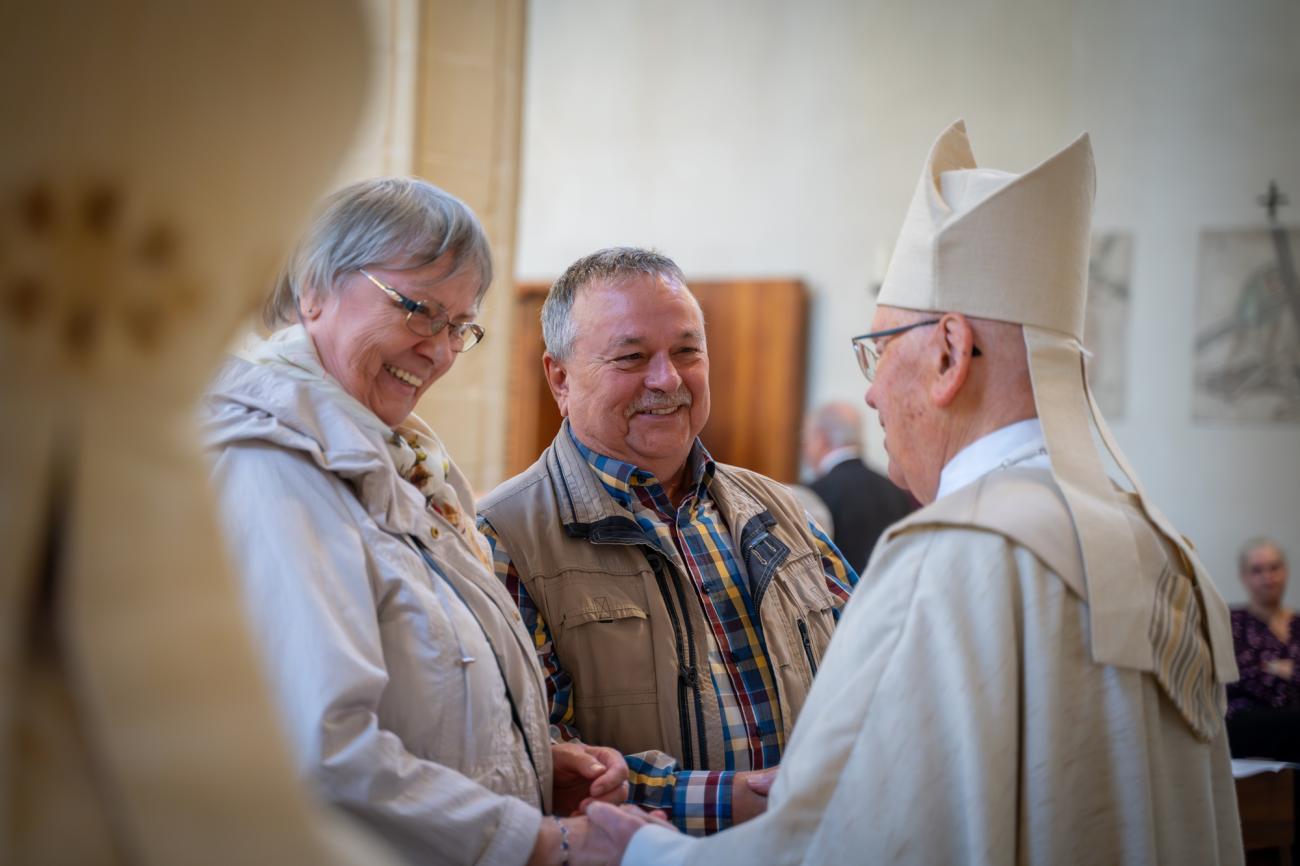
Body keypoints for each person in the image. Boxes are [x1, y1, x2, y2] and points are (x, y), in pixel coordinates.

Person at [585, 121, 1243, 864]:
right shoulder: (1154, 543)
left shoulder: (953, 559)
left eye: (879, 349)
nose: (870, 396)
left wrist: (646, 854)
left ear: (950, 354)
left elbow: (848, 846)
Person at [203, 177, 629, 866]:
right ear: (314, 289)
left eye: (461, 326)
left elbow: (417, 690)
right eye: (419, 311)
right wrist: (533, 840)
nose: (440, 352)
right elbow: (318, 749)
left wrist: (524, 765)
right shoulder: (271, 467)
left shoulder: (404, 458)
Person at [476, 247, 858, 835]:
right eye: (631, 357)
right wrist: (738, 802)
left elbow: (871, 664)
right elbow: (526, 753)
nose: (668, 379)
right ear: (559, 378)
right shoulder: (504, 539)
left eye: (687, 351)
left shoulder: (781, 508)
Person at [803, 400, 915, 571]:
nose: (806, 451)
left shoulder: (812, 495)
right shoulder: (895, 491)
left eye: (806, 441)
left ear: (821, 439)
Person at [1226, 538, 1300, 762]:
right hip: (1247, 725)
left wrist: (1280, 670)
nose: (1268, 578)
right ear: (1244, 577)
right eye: (1257, 570)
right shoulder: (1231, 622)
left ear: (1285, 571)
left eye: (1274, 568)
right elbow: (1234, 678)